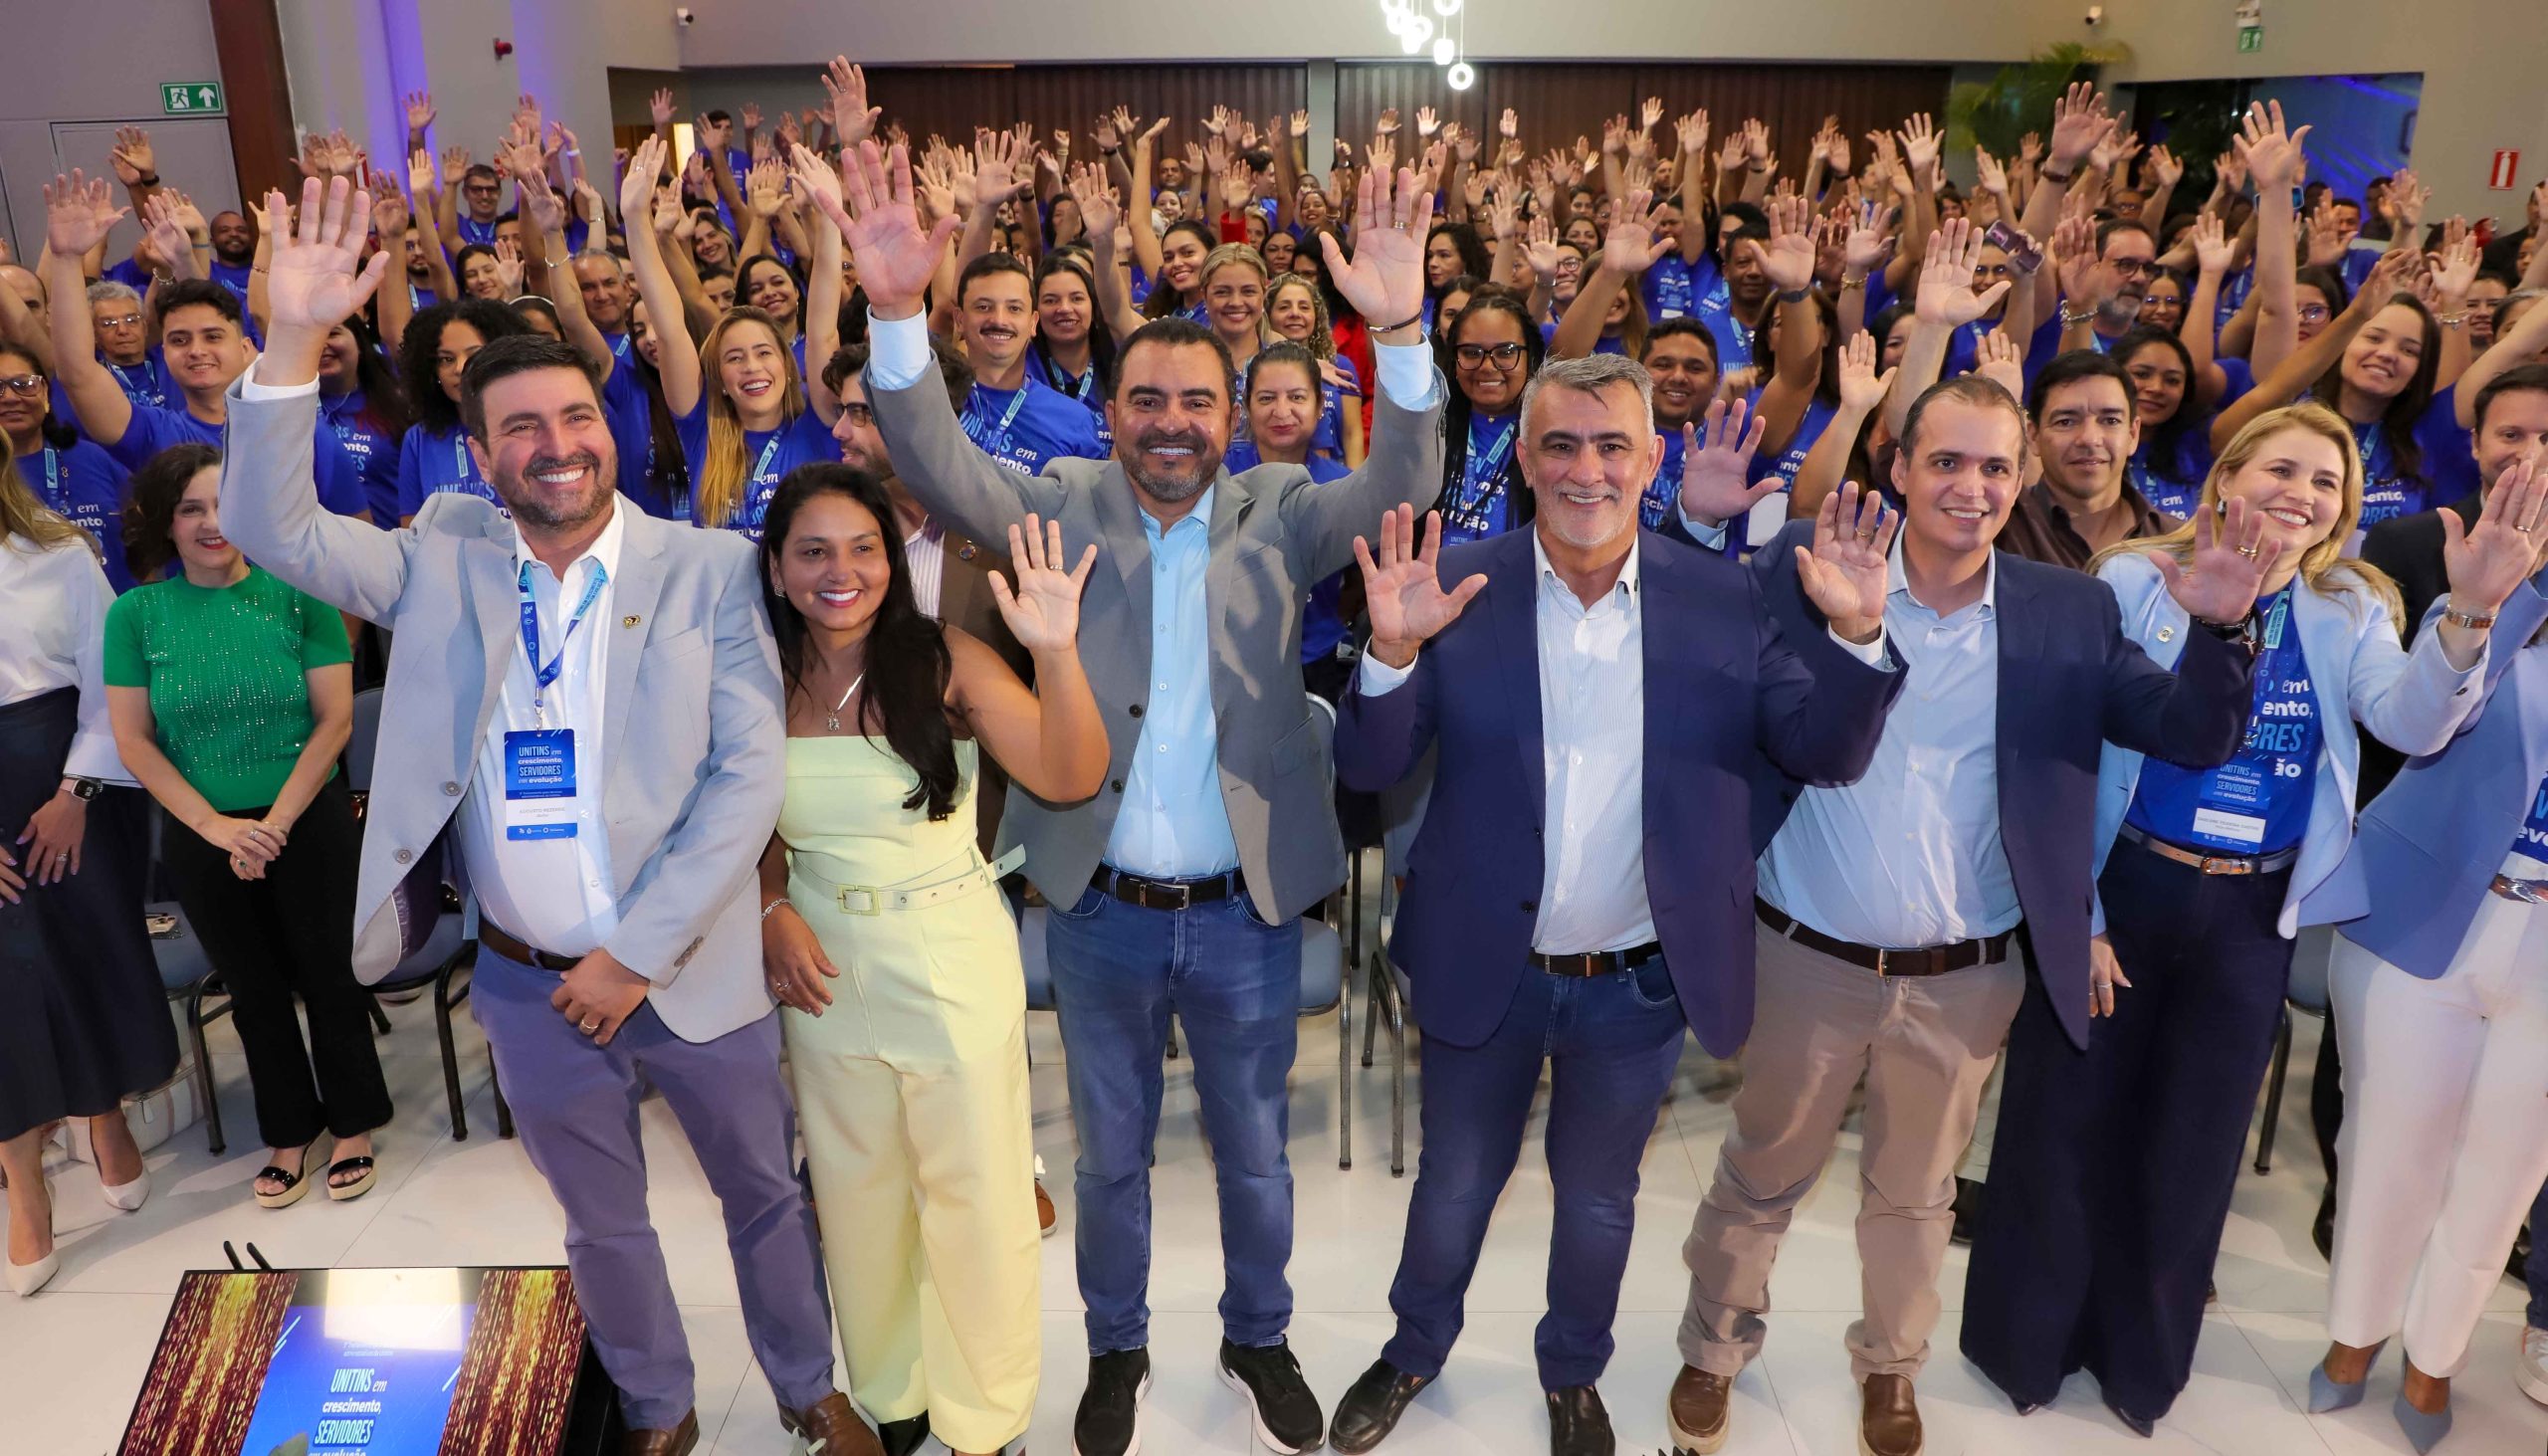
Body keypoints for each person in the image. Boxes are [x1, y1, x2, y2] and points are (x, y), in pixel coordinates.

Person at [219, 175, 878, 1456]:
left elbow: (747, 780)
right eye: (521, 426)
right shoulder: (438, 555)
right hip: (528, 983)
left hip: (691, 964)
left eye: (577, 415)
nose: (557, 442)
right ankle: (659, 1405)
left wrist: (636, 954)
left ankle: (808, 1383)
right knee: (601, 1220)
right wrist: (292, 338)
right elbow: (265, 522)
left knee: (763, 1194)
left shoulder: (708, 568)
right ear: (480, 454)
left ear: (609, 428)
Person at [835, 137, 1444, 1456]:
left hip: (1245, 913)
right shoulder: (1056, 503)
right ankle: (1117, 1344)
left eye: (1197, 403)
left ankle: (1257, 1333)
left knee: (1256, 1151)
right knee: (1108, 1155)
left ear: (1232, 416)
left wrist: (1400, 333)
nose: (1172, 423)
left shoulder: (1281, 509)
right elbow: (933, 462)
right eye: (1148, 400)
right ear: (1109, 409)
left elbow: (1404, 484)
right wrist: (894, 312)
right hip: (1098, 907)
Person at [1667, 374, 2265, 1456]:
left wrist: (2223, 631)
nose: (1970, 486)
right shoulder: (1811, 562)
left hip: (1966, 974)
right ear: (1897, 467)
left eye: (1995, 465)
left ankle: (1891, 1366)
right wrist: (1702, 525)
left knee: (1916, 1192)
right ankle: (1713, 1344)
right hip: (1806, 955)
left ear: (2022, 476)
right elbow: (1688, 639)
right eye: (1945, 460)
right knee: (1762, 1170)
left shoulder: (2068, 609)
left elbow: (2189, 734)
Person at [1322, 361, 1906, 1456]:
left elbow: (1821, 747)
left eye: (1610, 446)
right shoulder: (1460, 581)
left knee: (1598, 1200)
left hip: (1636, 982)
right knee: (1454, 1184)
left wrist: (1861, 637)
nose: (1584, 469)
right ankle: (1413, 1347)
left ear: (1650, 461)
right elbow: (1369, 766)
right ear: (1525, 459)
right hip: (1483, 963)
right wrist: (1392, 653)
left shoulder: (1722, 595)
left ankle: (1572, 1372)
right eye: (1559, 444)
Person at [1965, 402, 2539, 1435]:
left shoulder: (2349, 604)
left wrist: (2467, 612)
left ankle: (2140, 1367)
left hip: (2250, 909)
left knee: (2191, 1148)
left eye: (2326, 483)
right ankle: (2025, 1346)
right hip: (2124, 886)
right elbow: (2066, 755)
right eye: (2281, 469)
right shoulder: (2133, 578)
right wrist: (2078, 914)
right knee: (2062, 1125)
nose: (2301, 494)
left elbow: (2410, 722)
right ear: (2226, 473)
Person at [756, 467, 1106, 1456]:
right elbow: (745, 815)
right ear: (776, 569)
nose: (841, 571)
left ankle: (985, 1418)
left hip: (947, 953)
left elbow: (1070, 771)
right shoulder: (757, 670)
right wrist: (771, 903)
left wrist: (1056, 652)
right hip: (823, 971)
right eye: (813, 551)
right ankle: (893, 1394)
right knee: (856, 1195)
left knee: (976, 1199)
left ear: (893, 557)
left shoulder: (944, 656)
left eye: (862, 548)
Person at [2309, 446, 2548, 1453]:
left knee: (2505, 1170)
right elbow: (2424, 721)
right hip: (2430, 912)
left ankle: (2435, 1354)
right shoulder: (2497, 590)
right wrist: (2485, 604)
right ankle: (2354, 1333)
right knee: (2387, 1145)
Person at [102, 442, 388, 1210]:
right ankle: (288, 1133)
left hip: (307, 816)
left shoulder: (300, 593)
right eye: (190, 508)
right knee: (254, 991)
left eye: (224, 504)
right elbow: (134, 742)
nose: (211, 522)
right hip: (203, 835)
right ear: (166, 523)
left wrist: (276, 821)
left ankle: (355, 1124)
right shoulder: (135, 615)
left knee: (330, 975)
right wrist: (219, 827)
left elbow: (334, 721)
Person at [0, 449, 170, 1297]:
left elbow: (113, 684)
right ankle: (24, 1185)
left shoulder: (59, 553)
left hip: (66, 781)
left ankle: (104, 1114)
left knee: (86, 956)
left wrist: (77, 792)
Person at [39, 174, 368, 520]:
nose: (196, 350)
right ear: (164, 354)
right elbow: (78, 374)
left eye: (213, 337)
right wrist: (67, 259)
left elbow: (358, 529)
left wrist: (187, 259)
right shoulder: (158, 434)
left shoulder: (300, 433)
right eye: (179, 340)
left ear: (247, 349)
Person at [624, 135, 845, 539]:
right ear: (720, 379)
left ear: (787, 366)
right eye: (734, 358)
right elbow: (670, 329)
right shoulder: (701, 430)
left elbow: (822, 330)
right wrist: (636, 218)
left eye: (763, 353)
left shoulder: (820, 424)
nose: (752, 367)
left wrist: (830, 217)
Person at [1998, 351, 2179, 571]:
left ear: (2133, 434)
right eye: (2066, 422)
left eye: (2110, 420)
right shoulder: (1998, 530)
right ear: (2033, 436)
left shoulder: (2175, 542)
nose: (2090, 439)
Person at [950, 254, 1107, 474]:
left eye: (1014, 308)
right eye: (984, 307)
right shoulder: (936, 394)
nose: (999, 320)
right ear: (959, 320)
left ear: (1033, 323)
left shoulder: (1075, 420)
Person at [1, 343, 133, 591]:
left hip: (116, 607)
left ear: (45, 394)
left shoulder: (92, 457)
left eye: (24, 384)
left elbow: (145, 528)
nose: (10, 397)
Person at [394, 299, 531, 521]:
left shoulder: (532, 429)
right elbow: (412, 532)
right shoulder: (418, 440)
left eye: (474, 354)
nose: (460, 368)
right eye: (446, 359)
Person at [1434, 291, 1544, 544]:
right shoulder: (1431, 428)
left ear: (1529, 356)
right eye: (1471, 353)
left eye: (1506, 352)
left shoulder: (1547, 436)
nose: (1487, 366)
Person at [315, 315, 413, 528]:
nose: (322, 344)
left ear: (359, 343)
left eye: (333, 333)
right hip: (321, 545)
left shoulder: (398, 404)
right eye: (313, 338)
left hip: (390, 540)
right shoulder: (295, 414)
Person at [1264, 273, 1364, 469]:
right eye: (1284, 307)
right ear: (1268, 316)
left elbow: (1352, 434)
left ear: (1316, 316)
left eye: (1304, 307)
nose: (1295, 313)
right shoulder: (1261, 369)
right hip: (1278, 473)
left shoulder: (1341, 366)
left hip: (1335, 475)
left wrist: (1356, 481)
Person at [87, 281, 166, 409]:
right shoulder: (88, 381)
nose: (122, 330)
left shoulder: (171, 364)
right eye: (108, 324)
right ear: (94, 334)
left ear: (145, 327)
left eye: (131, 320)